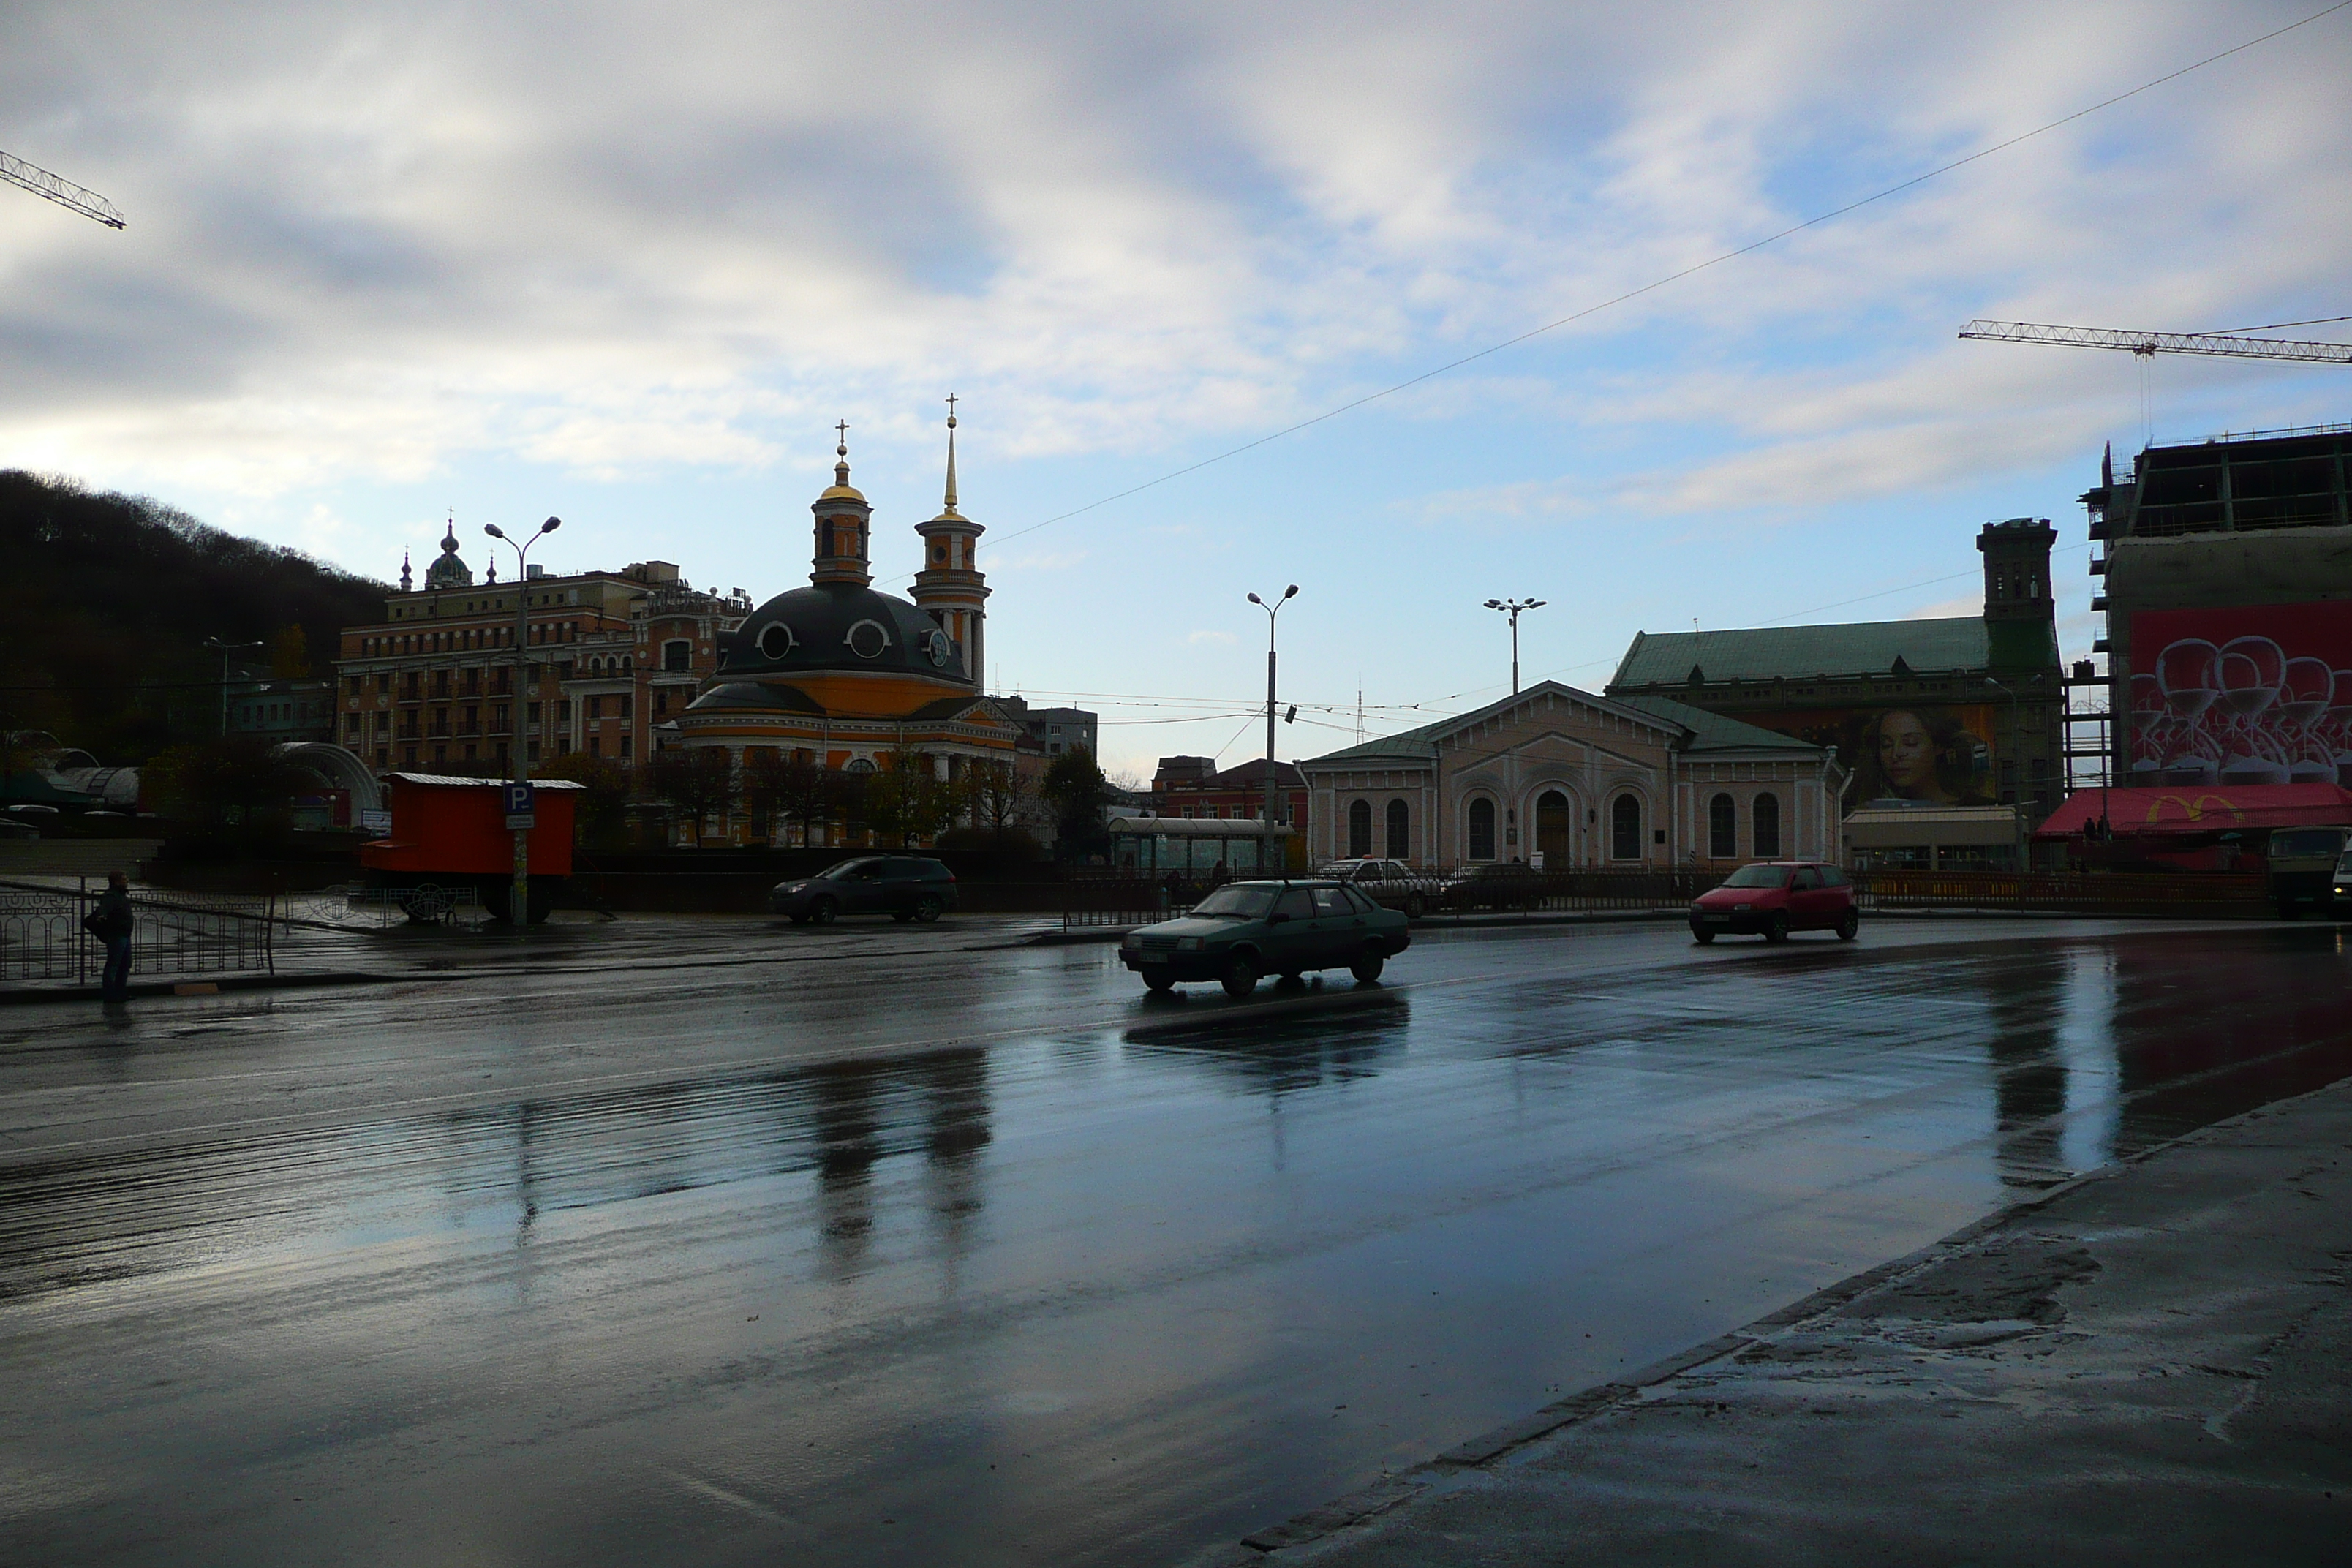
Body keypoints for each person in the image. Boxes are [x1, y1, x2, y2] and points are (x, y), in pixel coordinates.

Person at [84, 871, 135, 1003]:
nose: (127, 881)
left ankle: (120, 992)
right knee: (114, 964)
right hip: (117, 935)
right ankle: (110, 994)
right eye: (124, 879)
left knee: (125, 964)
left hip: (124, 934)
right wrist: (102, 915)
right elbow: (104, 907)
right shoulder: (111, 895)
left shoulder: (121, 895)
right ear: (116, 881)